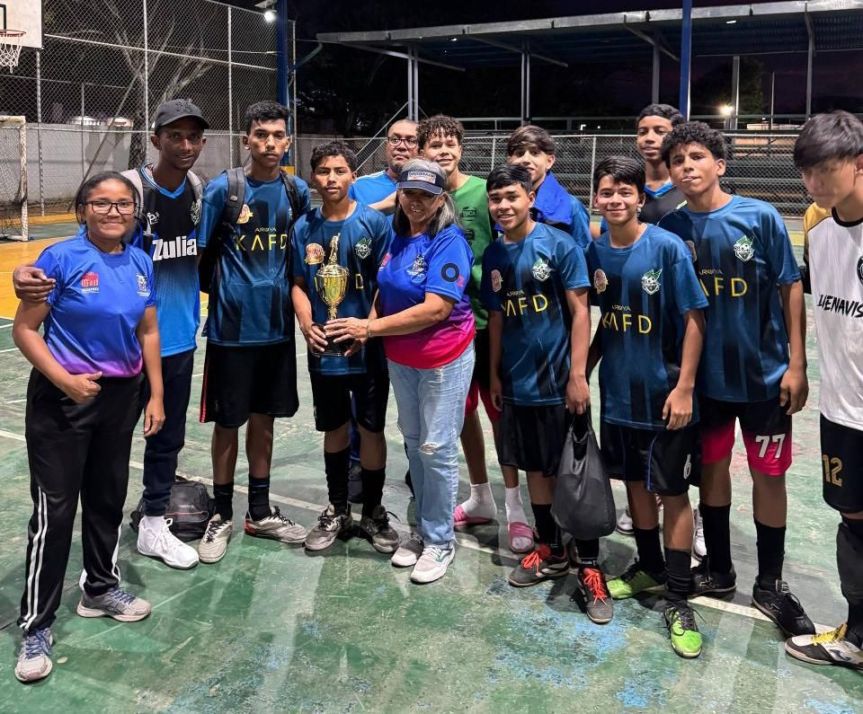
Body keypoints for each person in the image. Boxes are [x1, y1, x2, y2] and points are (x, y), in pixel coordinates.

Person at [13, 101, 208, 570]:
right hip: (119, 353)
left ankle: (153, 523)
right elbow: (90, 250)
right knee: (100, 463)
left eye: (193, 137)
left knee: (166, 440)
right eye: (174, 135)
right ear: (155, 138)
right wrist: (25, 272)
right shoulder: (130, 191)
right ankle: (94, 560)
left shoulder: (199, 189)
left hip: (175, 337)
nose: (184, 145)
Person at [658, 122, 815, 639]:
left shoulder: (760, 217)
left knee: (770, 475)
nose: (687, 167)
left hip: (764, 378)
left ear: (719, 165)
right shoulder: (672, 228)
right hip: (706, 383)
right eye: (678, 160)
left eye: (697, 157)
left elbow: (790, 287)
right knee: (712, 471)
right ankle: (720, 569)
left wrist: (796, 363)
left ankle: (769, 583)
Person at [13, 172, 164, 683]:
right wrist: (66, 381)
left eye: (123, 204)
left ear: (135, 212)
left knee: (106, 498)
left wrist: (156, 394)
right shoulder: (59, 259)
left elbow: (148, 330)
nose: (113, 212)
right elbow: (25, 330)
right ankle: (36, 624)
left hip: (121, 398)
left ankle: (99, 588)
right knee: (54, 512)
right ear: (83, 209)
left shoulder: (140, 261)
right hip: (63, 399)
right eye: (102, 203)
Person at [328, 159, 475, 584]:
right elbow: (384, 289)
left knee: (437, 449)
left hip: (443, 359)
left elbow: (436, 309)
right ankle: (424, 531)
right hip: (402, 358)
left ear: (441, 199)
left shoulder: (448, 241)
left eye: (426, 195)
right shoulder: (396, 234)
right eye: (410, 193)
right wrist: (369, 327)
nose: (416, 202)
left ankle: (440, 541)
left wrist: (370, 328)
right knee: (413, 443)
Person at [587, 157, 708, 655]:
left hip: (664, 396)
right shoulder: (596, 250)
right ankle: (650, 567)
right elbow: (608, 318)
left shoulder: (666, 248)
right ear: (596, 198)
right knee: (635, 484)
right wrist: (582, 368)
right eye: (606, 191)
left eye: (625, 192)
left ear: (641, 198)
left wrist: (685, 388)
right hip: (618, 395)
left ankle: (678, 597)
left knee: (672, 492)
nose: (615, 199)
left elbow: (695, 319)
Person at [196, 100, 311, 564]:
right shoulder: (224, 190)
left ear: (288, 141)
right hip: (231, 331)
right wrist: (230, 293)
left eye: (278, 135)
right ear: (246, 140)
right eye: (261, 135)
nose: (269, 143)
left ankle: (259, 511)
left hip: (277, 330)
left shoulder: (297, 191)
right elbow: (201, 256)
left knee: (265, 421)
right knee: (228, 423)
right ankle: (221, 512)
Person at [417, 115, 528, 550]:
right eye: (435, 145)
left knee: (499, 412)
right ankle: (481, 495)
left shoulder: (483, 192)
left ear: (461, 149)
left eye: (450, 144)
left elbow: (513, 237)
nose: (443, 151)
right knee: (462, 414)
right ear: (422, 152)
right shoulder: (422, 196)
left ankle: (516, 506)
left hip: (490, 321)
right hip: (447, 324)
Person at [481, 166, 592, 597]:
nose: (503, 205)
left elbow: (580, 312)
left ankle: (587, 559)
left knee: (571, 471)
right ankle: (552, 549)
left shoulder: (559, 245)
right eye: (496, 199)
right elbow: (496, 317)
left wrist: (577, 375)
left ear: (530, 198)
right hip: (516, 381)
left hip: (557, 382)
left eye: (512, 196)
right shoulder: (494, 254)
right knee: (534, 470)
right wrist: (494, 372)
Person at [291, 141, 397, 554]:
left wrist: (367, 327)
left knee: (371, 428)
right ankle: (337, 508)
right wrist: (306, 324)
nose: (331, 178)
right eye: (323, 171)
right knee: (334, 428)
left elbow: (385, 284)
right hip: (325, 349)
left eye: (339, 171)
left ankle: (372, 510)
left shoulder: (374, 223)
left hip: (367, 348)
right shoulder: (303, 227)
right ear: (312, 177)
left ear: (353, 175)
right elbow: (299, 284)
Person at [784, 111, 863, 670]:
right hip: (842, 407)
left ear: (859, 164)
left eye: (825, 170)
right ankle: (857, 634)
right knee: (852, 517)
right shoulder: (816, 225)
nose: (814, 183)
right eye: (807, 171)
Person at [505, 124, 591, 248]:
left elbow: (582, 254)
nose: (526, 159)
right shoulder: (502, 204)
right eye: (519, 153)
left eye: (534, 153)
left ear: (549, 161)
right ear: (509, 161)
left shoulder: (571, 207)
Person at [350, 118, 419, 217]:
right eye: (395, 140)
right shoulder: (357, 187)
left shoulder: (433, 189)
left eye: (411, 141)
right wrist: (380, 207)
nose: (401, 146)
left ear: (421, 149)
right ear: (386, 146)